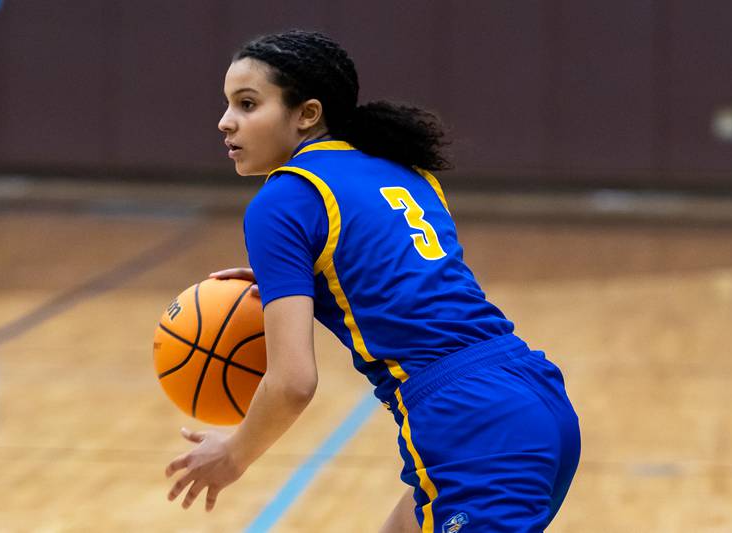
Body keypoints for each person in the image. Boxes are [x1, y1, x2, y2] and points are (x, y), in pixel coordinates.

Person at [164, 29, 580, 532]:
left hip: (470, 426)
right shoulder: (401, 169)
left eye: (248, 104)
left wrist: (233, 455)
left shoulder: (284, 200)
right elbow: (401, 272)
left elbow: (292, 383)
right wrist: (295, 279)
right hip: (535, 395)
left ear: (307, 114)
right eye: (228, 103)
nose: (225, 121)